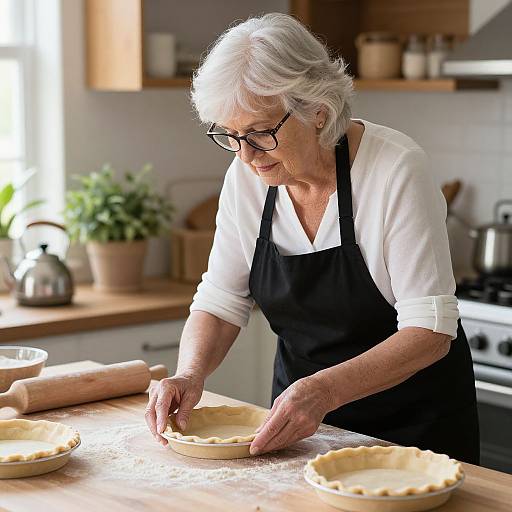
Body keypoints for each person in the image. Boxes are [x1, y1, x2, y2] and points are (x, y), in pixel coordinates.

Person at [145, 13, 479, 463]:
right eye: (231, 136)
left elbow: (431, 331)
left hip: (413, 434)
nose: (245, 156)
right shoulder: (248, 177)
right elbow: (221, 301)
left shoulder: (394, 169)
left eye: (261, 133)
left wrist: (322, 389)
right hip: (301, 429)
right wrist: (189, 373)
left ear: (317, 112)